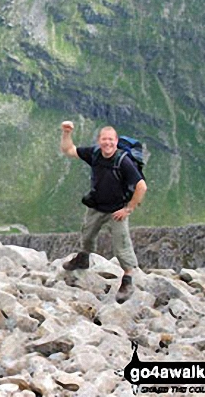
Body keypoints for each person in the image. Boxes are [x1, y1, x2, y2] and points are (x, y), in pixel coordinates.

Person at [60, 121, 147, 303]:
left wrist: (128, 208)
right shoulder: (95, 154)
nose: (107, 143)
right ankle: (83, 259)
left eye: (111, 140)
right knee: (87, 235)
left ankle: (128, 279)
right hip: (97, 206)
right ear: (99, 141)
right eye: (104, 139)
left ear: (116, 141)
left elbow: (141, 186)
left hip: (117, 210)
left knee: (121, 244)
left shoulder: (124, 161)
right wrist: (66, 133)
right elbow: (69, 150)